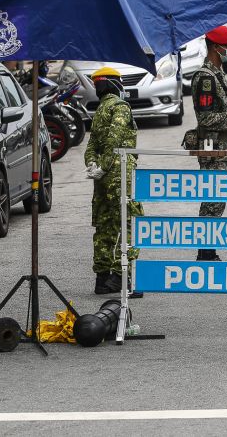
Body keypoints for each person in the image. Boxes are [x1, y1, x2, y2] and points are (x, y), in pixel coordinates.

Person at [84, 66, 144, 296]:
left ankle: (102, 278)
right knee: (130, 223)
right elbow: (115, 140)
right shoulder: (120, 107)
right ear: (113, 83)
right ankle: (122, 277)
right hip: (120, 175)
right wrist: (106, 166)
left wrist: (93, 165)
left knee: (105, 225)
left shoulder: (100, 109)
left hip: (102, 178)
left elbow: (91, 146)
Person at [191, 26, 227, 261]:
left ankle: (208, 248)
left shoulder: (218, 74)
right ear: (216, 47)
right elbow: (204, 118)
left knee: (218, 198)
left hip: (221, 147)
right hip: (212, 149)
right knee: (212, 199)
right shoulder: (205, 77)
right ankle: (205, 252)